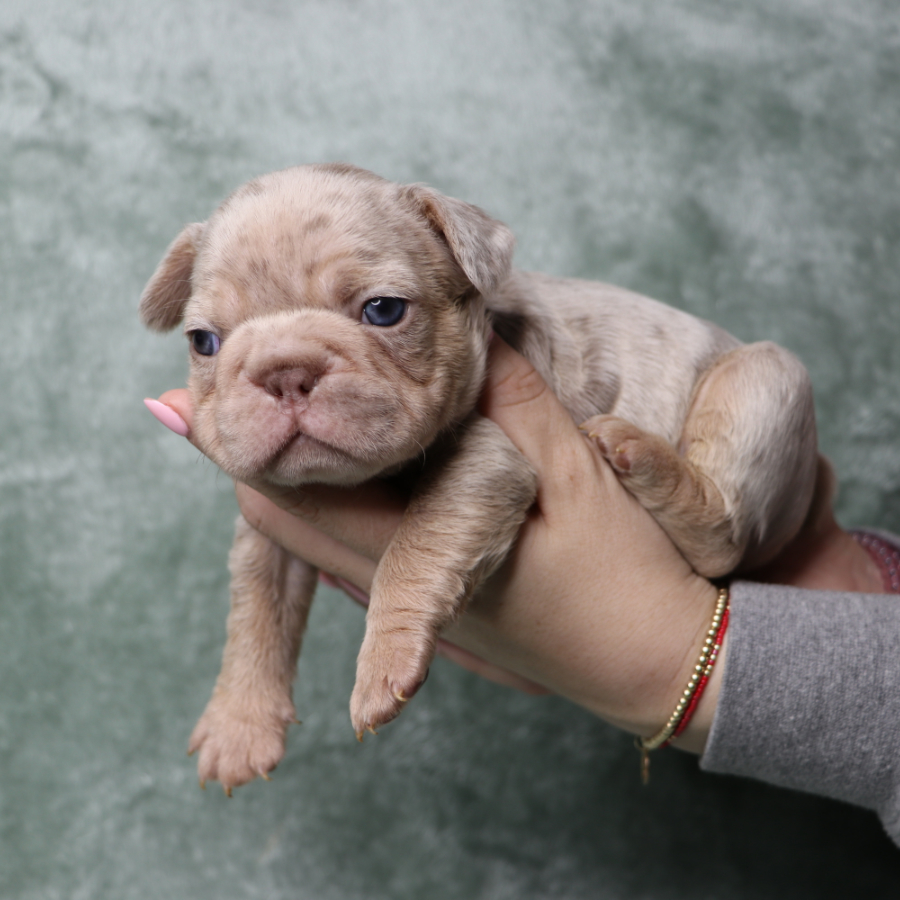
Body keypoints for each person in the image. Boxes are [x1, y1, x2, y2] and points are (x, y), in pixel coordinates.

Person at [148, 337, 900, 845]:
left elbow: (496, 470)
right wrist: (249, 690)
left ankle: (711, 519)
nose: (285, 373)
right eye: (210, 339)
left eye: (380, 311)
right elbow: (268, 541)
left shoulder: (476, 354)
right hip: (810, 564)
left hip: (731, 482)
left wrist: (679, 659)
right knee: (275, 522)